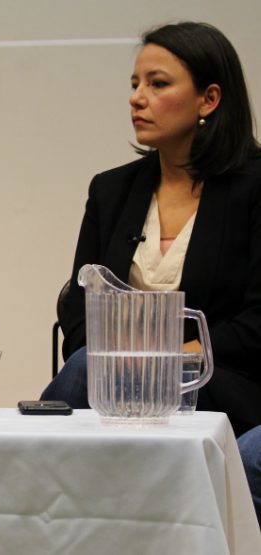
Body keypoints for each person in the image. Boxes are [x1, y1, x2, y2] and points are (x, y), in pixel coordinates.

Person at [41, 22, 261, 437]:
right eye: (135, 83)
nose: (136, 98)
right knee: (88, 364)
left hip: (220, 385)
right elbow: (79, 306)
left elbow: (256, 323)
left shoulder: (253, 187)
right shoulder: (111, 190)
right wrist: (123, 362)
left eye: (157, 84)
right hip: (115, 384)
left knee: (86, 372)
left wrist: (169, 359)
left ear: (209, 99)